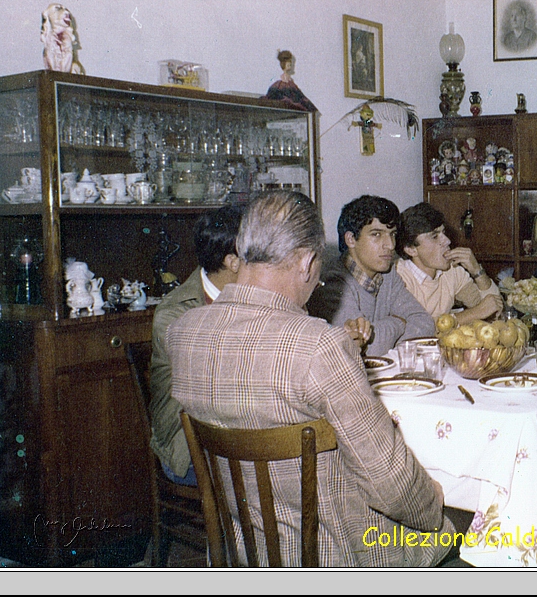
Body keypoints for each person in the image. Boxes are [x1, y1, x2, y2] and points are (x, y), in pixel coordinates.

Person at [169, 191, 454, 567]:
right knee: (462, 525)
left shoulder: (184, 332)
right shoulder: (320, 345)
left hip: (237, 550)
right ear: (306, 263)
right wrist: (433, 508)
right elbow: (390, 483)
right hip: (331, 555)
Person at [148, 204, 244, 486]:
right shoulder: (175, 313)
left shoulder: (248, 293)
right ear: (233, 261)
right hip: (188, 446)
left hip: (235, 433)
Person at [320, 195, 435, 356]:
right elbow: (363, 347)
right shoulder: (332, 283)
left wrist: (386, 339)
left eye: (392, 234)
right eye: (376, 234)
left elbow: (424, 323)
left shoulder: (387, 274)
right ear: (351, 239)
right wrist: (398, 322)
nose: (390, 245)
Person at [396, 202, 502, 324]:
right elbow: (413, 328)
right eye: (434, 236)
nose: (447, 241)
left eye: (443, 232)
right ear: (411, 250)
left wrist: (477, 270)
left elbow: (494, 311)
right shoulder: (398, 277)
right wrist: (475, 313)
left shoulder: (451, 270)